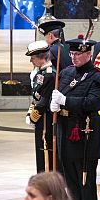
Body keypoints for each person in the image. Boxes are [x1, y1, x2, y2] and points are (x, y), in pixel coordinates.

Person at [50, 36, 100, 200]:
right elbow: (60, 93)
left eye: (78, 54)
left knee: (85, 176)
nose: (74, 57)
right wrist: (55, 105)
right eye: (72, 53)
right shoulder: (66, 73)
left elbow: (92, 103)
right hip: (65, 130)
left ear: (88, 54)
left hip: (85, 133)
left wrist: (65, 101)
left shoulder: (97, 77)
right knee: (69, 175)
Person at [27, 41, 56, 173]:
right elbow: (36, 98)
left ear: (41, 57)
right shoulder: (42, 73)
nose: (31, 61)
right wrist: (30, 113)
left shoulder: (49, 75)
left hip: (45, 121)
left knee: (45, 151)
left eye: (33, 58)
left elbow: (43, 103)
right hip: (41, 119)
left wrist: (33, 118)